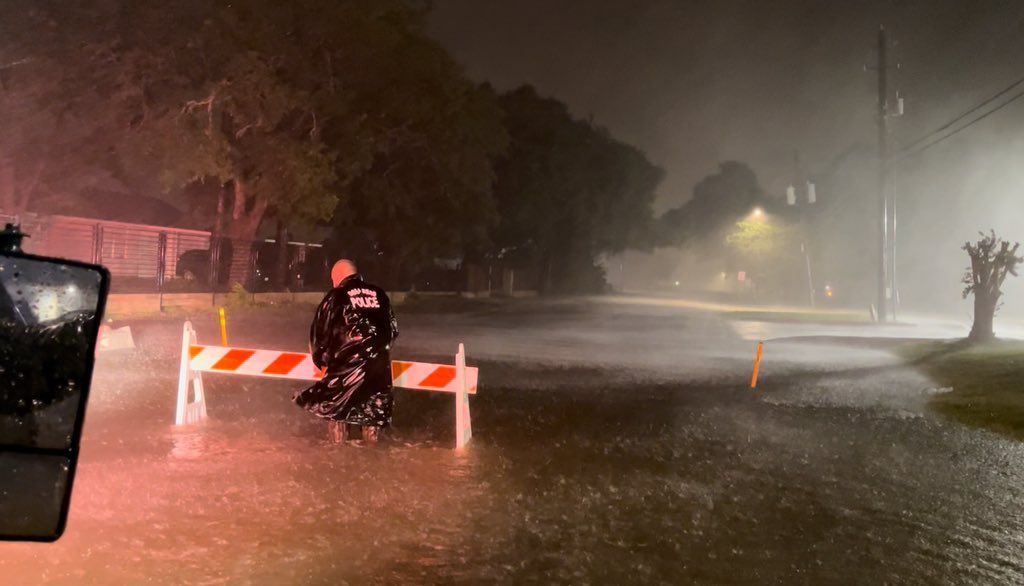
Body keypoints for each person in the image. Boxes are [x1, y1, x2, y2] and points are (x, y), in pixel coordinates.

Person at [293, 260, 398, 443]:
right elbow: (392, 331)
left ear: (337, 277)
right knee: (371, 415)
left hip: (345, 368)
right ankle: (372, 463)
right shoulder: (380, 294)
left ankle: (338, 458)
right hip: (378, 370)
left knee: (336, 413)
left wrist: (322, 364)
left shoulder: (336, 295)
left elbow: (319, 335)